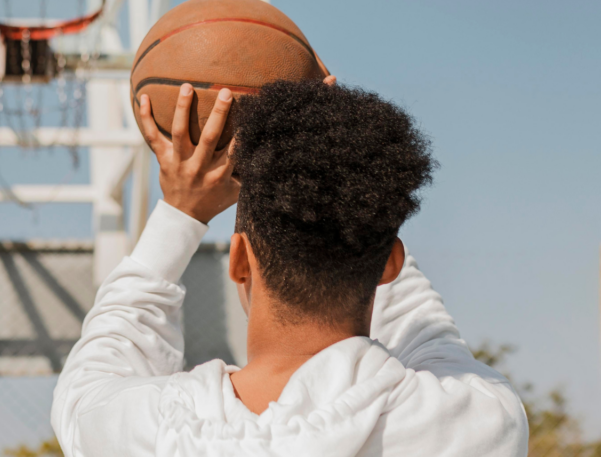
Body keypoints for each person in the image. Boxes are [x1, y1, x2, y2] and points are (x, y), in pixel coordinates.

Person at [51, 79, 528, 456]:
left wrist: (181, 213)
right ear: (390, 264)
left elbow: (93, 374)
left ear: (239, 262)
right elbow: (432, 336)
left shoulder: (153, 432)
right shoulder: (476, 424)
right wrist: (348, 160)